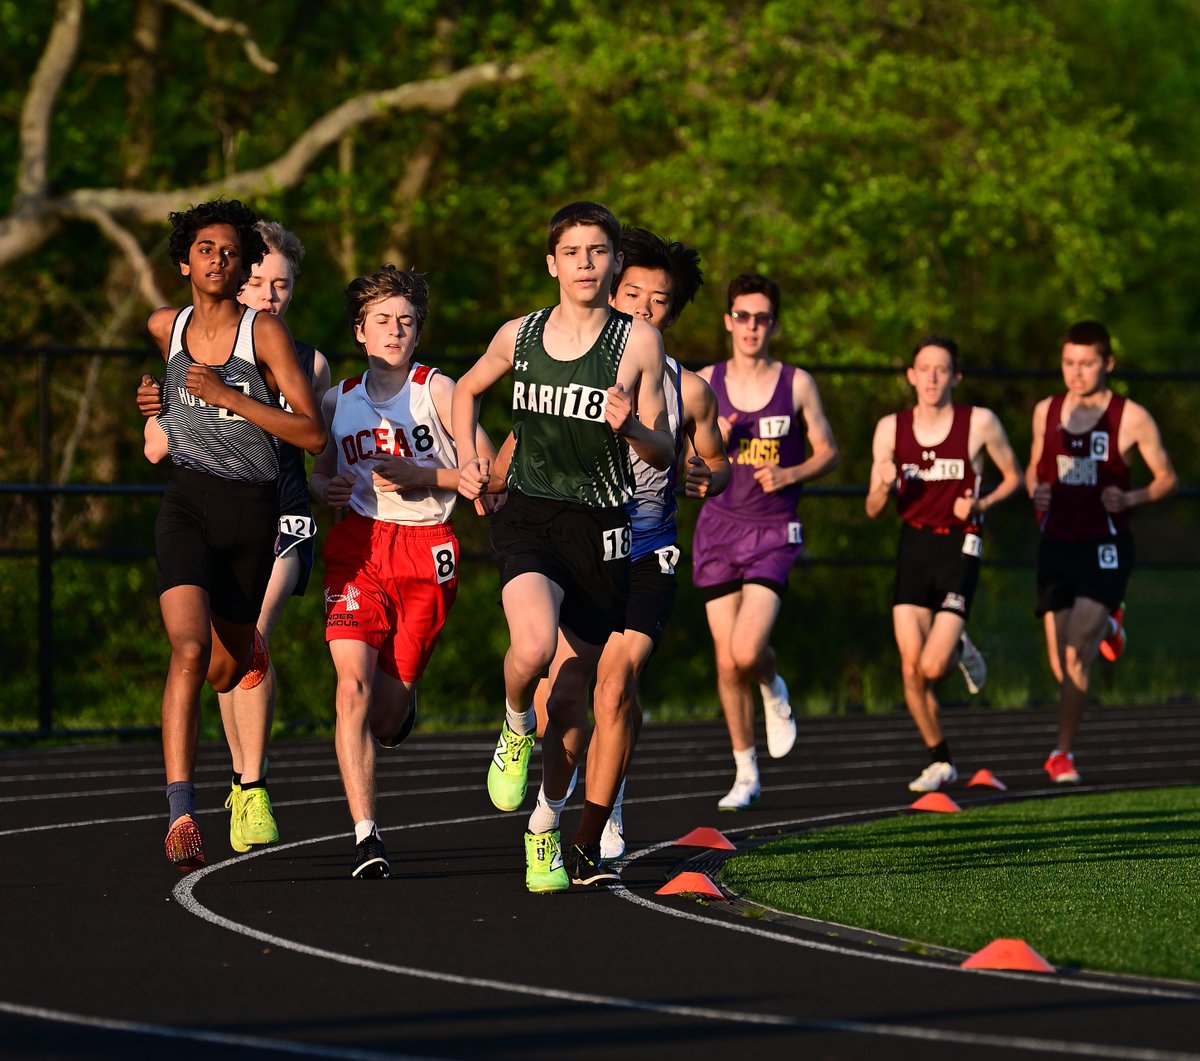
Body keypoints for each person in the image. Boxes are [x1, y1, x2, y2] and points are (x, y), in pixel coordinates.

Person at [452, 201, 673, 892]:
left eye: (597, 251)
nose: (584, 262)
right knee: (532, 648)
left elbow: (665, 450)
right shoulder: (520, 335)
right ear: (552, 263)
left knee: (573, 698)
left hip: (602, 528)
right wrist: (468, 460)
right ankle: (515, 724)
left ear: (613, 264)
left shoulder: (637, 343)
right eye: (571, 251)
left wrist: (631, 424)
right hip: (530, 515)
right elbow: (465, 389)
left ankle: (544, 823)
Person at [498, 226, 730, 864]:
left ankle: (588, 839)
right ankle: (550, 810)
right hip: (576, 540)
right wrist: (488, 481)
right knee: (565, 694)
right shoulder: (569, 358)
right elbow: (524, 442)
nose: (642, 309)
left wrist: (709, 474)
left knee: (615, 684)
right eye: (633, 294)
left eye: (658, 302)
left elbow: (715, 458)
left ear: (671, 316)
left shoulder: (691, 389)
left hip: (646, 546)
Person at [139, 220, 330, 855]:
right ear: (183, 264)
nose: (218, 261)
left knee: (230, 665)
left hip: (255, 512)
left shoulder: (266, 335)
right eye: (205, 251)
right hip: (188, 503)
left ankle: (249, 766)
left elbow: (311, 434)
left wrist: (229, 395)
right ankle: (181, 813)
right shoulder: (166, 328)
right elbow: (166, 419)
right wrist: (155, 403)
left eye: (229, 252)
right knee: (189, 651)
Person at [310, 265, 496, 879]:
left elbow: (486, 473)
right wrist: (329, 487)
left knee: (386, 716)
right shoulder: (338, 400)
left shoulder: (436, 392)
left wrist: (430, 476)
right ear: (360, 331)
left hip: (427, 548)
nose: (394, 330)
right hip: (359, 545)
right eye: (382, 320)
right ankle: (367, 835)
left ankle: (404, 701)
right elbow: (318, 474)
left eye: (406, 321)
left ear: (418, 333)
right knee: (351, 688)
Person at [692, 274, 838, 811]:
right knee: (727, 662)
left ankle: (773, 685)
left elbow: (829, 451)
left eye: (762, 318)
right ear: (729, 320)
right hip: (718, 529)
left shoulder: (796, 383)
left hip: (774, 529)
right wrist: (715, 448)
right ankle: (744, 771)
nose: (752, 326)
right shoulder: (706, 381)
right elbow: (685, 465)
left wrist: (794, 472)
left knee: (747, 650)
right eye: (742, 316)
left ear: (773, 324)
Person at [865, 337, 1021, 792]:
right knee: (911, 669)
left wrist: (981, 503)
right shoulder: (890, 428)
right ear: (911, 376)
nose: (931, 377)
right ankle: (941, 760)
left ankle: (960, 650)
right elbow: (874, 506)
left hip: (961, 544)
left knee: (934, 667)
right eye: (923, 368)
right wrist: (882, 487)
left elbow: (1016, 477)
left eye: (941, 369)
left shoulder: (979, 423)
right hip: (914, 545)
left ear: (955, 376)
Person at [1027, 321, 1176, 783]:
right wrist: (1038, 492)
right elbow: (1036, 469)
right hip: (1058, 544)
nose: (1076, 372)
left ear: (1107, 364)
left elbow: (1167, 478)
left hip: (1105, 546)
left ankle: (1062, 754)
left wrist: (1130, 499)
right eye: (1069, 362)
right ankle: (1112, 626)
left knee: (1075, 652)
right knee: (1060, 663)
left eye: (1087, 363)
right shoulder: (1046, 411)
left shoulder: (1130, 417)